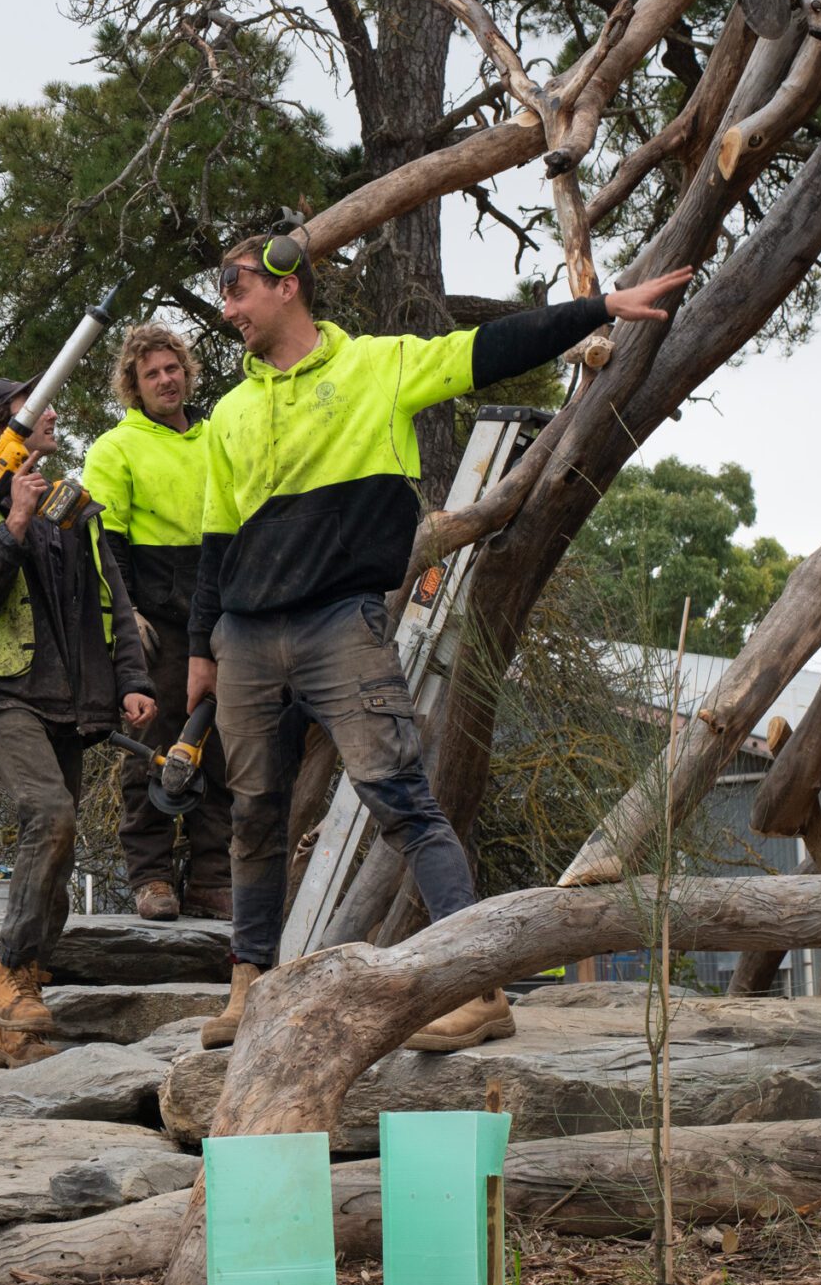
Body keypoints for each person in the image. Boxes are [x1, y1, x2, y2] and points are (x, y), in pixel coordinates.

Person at [190, 241, 695, 1051]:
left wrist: (599, 308)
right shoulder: (230, 412)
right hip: (246, 635)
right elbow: (215, 541)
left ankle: (477, 986)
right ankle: (249, 986)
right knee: (252, 813)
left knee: (399, 798)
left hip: (340, 621)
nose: (226, 308)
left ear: (287, 284)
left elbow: (489, 349)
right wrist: (200, 650)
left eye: (236, 287)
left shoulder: (379, 367)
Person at [0, 379, 156, 1066]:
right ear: (4, 428)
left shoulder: (73, 506)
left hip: (69, 700)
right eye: (36, 406)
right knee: (49, 814)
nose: (55, 410)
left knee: (58, 853)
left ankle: (13, 1030)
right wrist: (15, 523)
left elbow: (114, 599)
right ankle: (10, 973)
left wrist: (133, 680)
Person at [80, 322, 234, 922]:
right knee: (155, 747)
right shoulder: (115, 448)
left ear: (186, 373)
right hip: (157, 622)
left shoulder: (217, 436)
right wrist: (127, 616)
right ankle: (151, 878)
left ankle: (214, 877)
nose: (166, 380)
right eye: (152, 374)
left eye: (173, 369)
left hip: (220, 615)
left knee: (221, 749)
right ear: (134, 385)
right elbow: (103, 544)